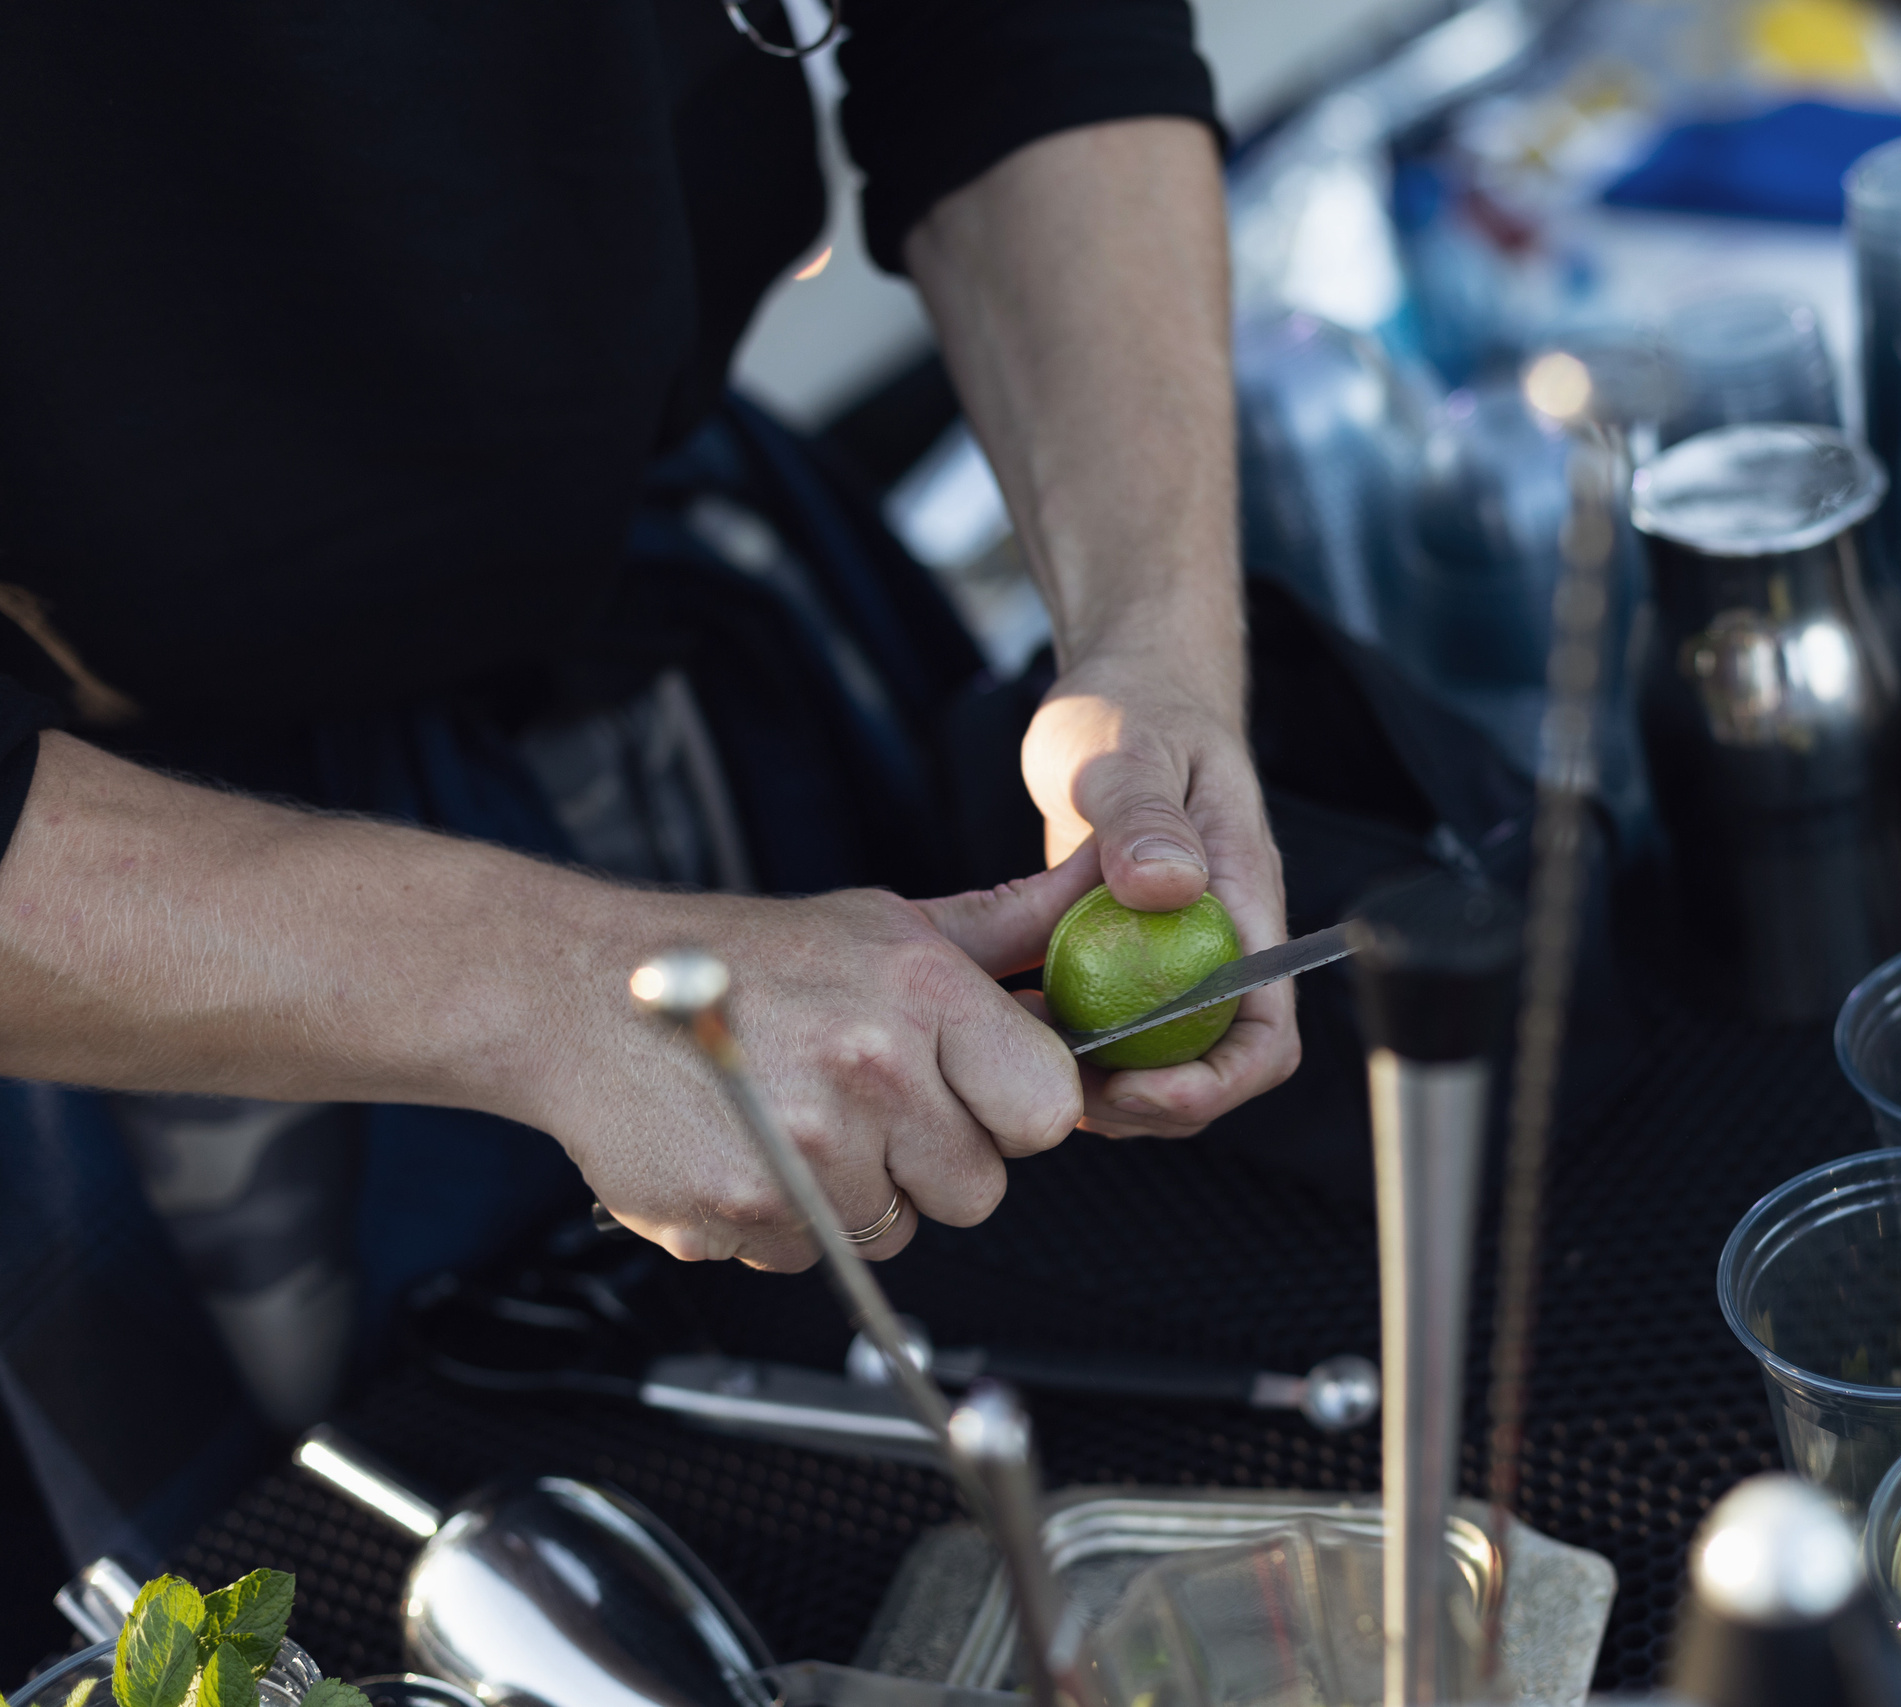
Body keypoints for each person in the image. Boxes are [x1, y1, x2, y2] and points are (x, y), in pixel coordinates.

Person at [0, 0, 1295, 1567]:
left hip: (687, 627)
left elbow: (1018, 41)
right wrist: (551, 987)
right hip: (126, 917)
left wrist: (1155, 654)